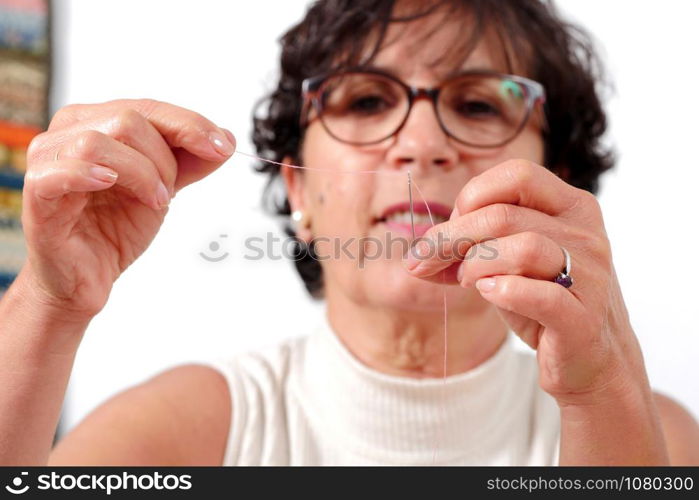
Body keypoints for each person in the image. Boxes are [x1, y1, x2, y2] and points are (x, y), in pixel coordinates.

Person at [1, 0, 698, 466]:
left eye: (479, 103)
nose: (421, 145)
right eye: (365, 100)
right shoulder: (187, 430)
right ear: (298, 188)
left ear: (557, 182)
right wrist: (49, 303)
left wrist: (603, 386)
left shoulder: (644, 432)